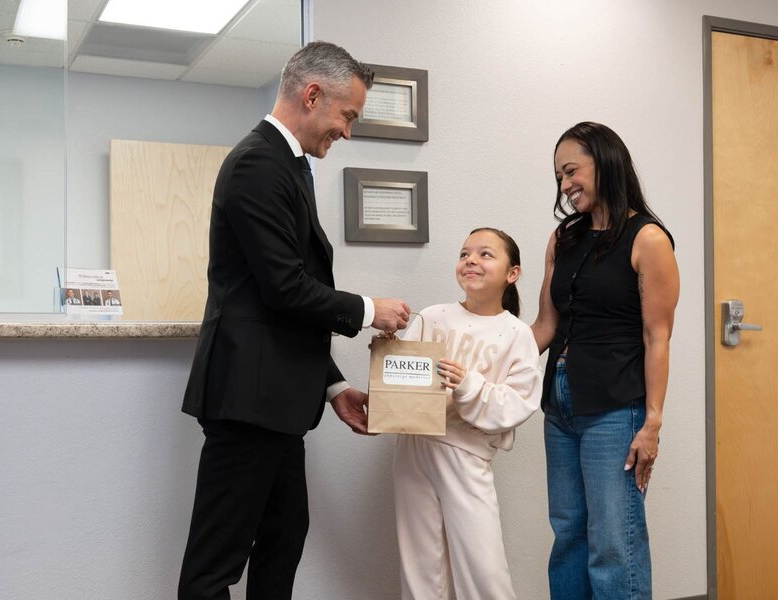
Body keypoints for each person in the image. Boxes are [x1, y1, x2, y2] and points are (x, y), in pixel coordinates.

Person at [177, 41, 410, 600]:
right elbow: (284, 288)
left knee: (284, 537)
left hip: (275, 402)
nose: (347, 132)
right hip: (248, 401)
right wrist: (368, 310)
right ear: (312, 95)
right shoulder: (259, 163)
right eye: (347, 116)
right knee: (215, 565)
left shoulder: (288, 164)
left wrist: (333, 387)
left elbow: (278, 305)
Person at [531, 122, 679, 599]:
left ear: (606, 163)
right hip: (559, 403)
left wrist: (652, 423)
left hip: (615, 409)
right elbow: (544, 326)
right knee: (568, 534)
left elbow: (657, 337)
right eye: (559, 175)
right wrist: (480, 360)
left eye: (571, 170)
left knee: (614, 542)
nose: (564, 184)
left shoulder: (648, 239)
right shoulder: (564, 238)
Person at [393, 227, 542, 600]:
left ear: (513, 273)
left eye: (485, 254)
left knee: (482, 567)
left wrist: (468, 385)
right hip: (414, 447)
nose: (471, 260)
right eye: (464, 254)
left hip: (466, 452)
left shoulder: (516, 333)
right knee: (420, 561)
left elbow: (518, 402)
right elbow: (402, 386)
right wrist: (387, 363)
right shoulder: (432, 316)